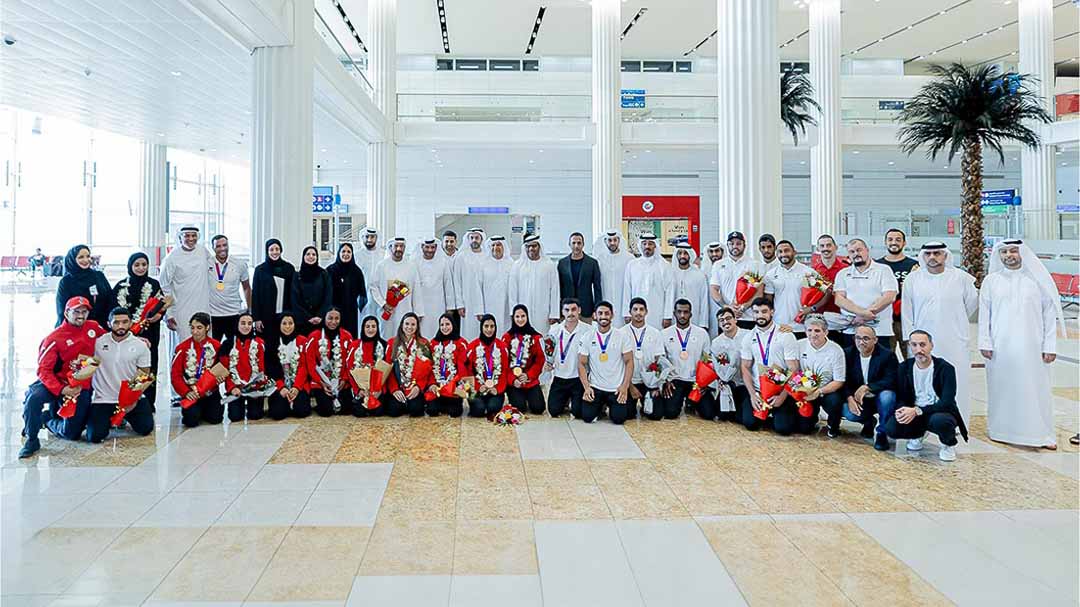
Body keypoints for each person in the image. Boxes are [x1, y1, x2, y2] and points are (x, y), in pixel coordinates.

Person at [979, 239, 1062, 449]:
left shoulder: (1037, 281)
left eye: (1013, 251)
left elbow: (1048, 314)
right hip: (1000, 347)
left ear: (1022, 253)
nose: (1009, 255)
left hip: (1033, 346)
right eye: (1004, 252)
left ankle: (1040, 434)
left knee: (1035, 389)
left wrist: (1050, 346)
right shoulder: (991, 281)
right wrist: (985, 342)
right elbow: (984, 315)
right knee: (1002, 388)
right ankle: (1001, 430)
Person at [901, 242, 977, 423]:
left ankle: (957, 422)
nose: (932, 257)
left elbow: (971, 305)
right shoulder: (913, 279)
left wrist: (954, 322)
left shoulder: (961, 278)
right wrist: (910, 340)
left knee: (957, 380)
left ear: (945, 255)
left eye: (937, 253)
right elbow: (907, 311)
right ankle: (923, 423)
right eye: (928, 254)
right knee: (923, 382)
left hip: (954, 340)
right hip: (922, 343)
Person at [19, 296, 104, 458]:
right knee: (33, 398)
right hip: (56, 383)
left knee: (71, 434)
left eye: (84, 312)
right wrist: (62, 389)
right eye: (76, 311)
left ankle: (47, 419)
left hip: (81, 386)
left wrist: (135, 340)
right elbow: (44, 370)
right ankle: (32, 438)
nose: (81, 315)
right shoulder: (54, 338)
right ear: (66, 313)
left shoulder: (93, 327)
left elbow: (111, 340)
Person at [885, 330, 968, 462]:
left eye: (923, 345)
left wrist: (918, 411)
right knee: (891, 428)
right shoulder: (904, 368)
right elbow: (902, 396)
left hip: (938, 411)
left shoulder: (945, 368)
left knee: (942, 422)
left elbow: (947, 402)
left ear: (931, 345)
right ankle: (917, 434)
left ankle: (948, 444)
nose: (919, 350)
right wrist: (902, 410)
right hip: (914, 410)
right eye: (914, 345)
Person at [85, 307, 155, 442]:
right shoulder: (98, 343)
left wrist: (132, 398)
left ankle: (122, 417)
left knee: (145, 428)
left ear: (130, 323)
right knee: (94, 436)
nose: (121, 326)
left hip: (131, 400)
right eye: (116, 322)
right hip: (104, 398)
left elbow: (144, 373)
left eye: (124, 322)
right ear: (108, 323)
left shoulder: (141, 345)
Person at [739, 298, 801, 434]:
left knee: (783, 429)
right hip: (758, 391)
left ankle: (778, 413)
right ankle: (766, 412)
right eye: (756, 312)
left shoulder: (786, 335)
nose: (760, 315)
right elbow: (745, 367)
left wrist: (782, 396)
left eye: (764, 311)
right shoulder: (748, 337)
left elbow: (794, 369)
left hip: (781, 391)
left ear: (772, 312)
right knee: (750, 424)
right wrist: (752, 395)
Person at [111, 252, 164, 410]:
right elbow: (113, 311)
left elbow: (161, 306)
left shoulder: (154, 285)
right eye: (137, 265)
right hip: (125, 334)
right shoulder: (121, 286)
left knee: (148, 366)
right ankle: (124, 400)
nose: (141, 268)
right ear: (130, 266)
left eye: (144, 265)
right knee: (126, 366)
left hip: (149, 333)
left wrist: (159, 315)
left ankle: (147, 403)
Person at [842, 325, 899, 450]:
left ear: (875, 340)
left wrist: (868, 387)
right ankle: (868, 422)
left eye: (866, 338)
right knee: (848, 412)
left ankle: (881, 433)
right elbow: (843, 380)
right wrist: (849, 398)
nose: (861, 342)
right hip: (860, 399)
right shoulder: (847, 354)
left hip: (879, 395)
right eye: (858, 338)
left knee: (887, 396)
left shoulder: (887, 355)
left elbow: (892, 380)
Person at [833, 238, 897, 349]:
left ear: (867, 250)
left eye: (859, 250)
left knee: (882, 365)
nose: (856, 254)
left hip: (880, 331)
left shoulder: (884, 270)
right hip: (852, 330)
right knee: (853, 365)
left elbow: (889, 296)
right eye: (852, 252)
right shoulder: (842, 274)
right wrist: (862, 314)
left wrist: (865, 316)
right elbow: (839, 299)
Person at [578, 301, 634, 424]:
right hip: (596, 387)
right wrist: (587, 388)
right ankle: (600, 407)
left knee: (619, 419)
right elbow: (581, 363)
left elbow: (629, 361)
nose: (603, 316)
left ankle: (607, 406)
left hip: (616, 388)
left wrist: (624, 387)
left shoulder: (622, 336)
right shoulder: (587, 336)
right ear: (594, 315)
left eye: (607, 313)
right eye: (600, 313)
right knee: (587, 417)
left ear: (612, 315)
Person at [655, 299, 711, 420]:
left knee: (709, 413)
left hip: (696, 381)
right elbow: (660, 361)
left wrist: (705, 383)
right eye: (679, 312)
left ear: (691, 314)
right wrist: (665, 381)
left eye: (686, 312)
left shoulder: (702, 334)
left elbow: (707, 360)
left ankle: (692, 403)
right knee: (670, 413)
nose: (682, 315)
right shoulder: (664, 334)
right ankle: (684, 401)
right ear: (674, 313)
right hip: (675, 380)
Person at [795, 314, 847, 437]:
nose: (813, 334)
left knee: (835, 401)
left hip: (827, 390)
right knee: (804, 429)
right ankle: (812, 419)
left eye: (817, 331)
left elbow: (839, 381)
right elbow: (794, 371)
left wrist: (818, 392)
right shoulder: (799, 345)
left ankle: (833, 426)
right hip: (805, 390)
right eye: (809, 330)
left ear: (826, 332)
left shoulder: (836, 350)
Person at [159, 226, 213, 343]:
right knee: (184, 344)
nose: (191, 239)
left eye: (193, 236)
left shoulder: (203, 251)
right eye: (187, 236)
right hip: (181, 310)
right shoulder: (171, 258)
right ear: (180, 237)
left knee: (205, 344)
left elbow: (213, 269)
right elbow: (164, 286)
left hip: (202, 306)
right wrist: (168, 314)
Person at [170, 312, 223, 428]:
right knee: (191, 421)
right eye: (192, 328)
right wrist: (186, 392)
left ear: (207, 328)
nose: (195, 332)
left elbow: (222, 369)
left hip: (210, 392)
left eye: (199, 328)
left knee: (216, 419)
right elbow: (175, 375)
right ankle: (195, 410)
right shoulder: (182, 348)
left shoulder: (217, 346)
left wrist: (220, 378)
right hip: (191, 392)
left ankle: (203, 410)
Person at [621, 297, 665, 420]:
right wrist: (629, 386)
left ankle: (646, 403)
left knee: (656, 415)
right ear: (630, 312)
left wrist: (656, 386)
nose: (638, 313)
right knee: (627, 415)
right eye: (635, 309)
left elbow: (659, 360)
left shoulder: (655, 333)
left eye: (641, 309)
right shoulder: (621, 333)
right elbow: (619, 363)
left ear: (646, 312)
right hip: (629, 381)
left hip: (649, 383)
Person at [877, 229, 919, 358]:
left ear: (904, 243)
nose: (894, 242)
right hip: (884, 320)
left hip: (906, 319)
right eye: (890, 239)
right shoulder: (878, 265)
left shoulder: (914, 265)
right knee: (886, 358)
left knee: (911, 356)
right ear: (885, 242)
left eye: (898, 239)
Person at [370, 237, 423, 339]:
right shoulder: (382, 265)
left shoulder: (411, 266)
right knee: (386, 336)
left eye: (401, 246)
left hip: (405, 310)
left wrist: (418, 312)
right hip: (387, 311)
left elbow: (416, 289)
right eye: (396, 246)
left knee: (405, 337)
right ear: (390, 248)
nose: (399, 249)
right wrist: (383, 304)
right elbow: (373, 287)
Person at [251, 239, 296, 358]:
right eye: (271, 249)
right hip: (266, 317)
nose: (274, 252)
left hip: (284, 317)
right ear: (267, 251)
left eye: (277, 249)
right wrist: (257, 318)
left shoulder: (289, 268)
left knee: (285, 346)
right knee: (269, 347)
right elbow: (255, 295)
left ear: (281, 250)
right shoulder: (260, 270)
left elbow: (293, 293)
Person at [220, 312, 268, 422]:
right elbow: (224, 369)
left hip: (254, 387)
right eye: (243, 323)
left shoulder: (259, 343)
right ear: (237, 324)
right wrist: (232, 388)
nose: (246, 326)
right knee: (235, 417)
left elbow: (262, 368)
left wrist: (258, 385)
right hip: (236, 388)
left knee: (255, 415)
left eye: (249, 323)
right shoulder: (227, 344)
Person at [305, 308, 353, 416]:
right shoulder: (314, 336)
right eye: (330, 318)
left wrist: (344, 379)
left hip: (341, 382)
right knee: (326, 412)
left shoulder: (347, 336)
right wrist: (321, 383)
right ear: (324, 318)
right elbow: (310, 363)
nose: (333, 322)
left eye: (337, 318)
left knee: (347, 410)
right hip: (321, 381)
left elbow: (349, 362)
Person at [545, 299, 589, 418]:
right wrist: (548, 364)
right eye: (567, 310)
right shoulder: (554, 331)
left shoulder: (588, 330)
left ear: (579, 310)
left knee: (578, 412)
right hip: (560, 377)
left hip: (578, 378)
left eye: (573, 309)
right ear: (562, 312)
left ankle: (573, 401)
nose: (570, 313)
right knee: (553, 411)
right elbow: (549, 353)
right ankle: (565, 399)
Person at [703, 307, 748, 422]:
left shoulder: (748, 336)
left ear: (735, 319)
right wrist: (720, 380)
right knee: (721, 415)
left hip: (746, 384)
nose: (725, 322)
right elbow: (716, 366)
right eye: (721, 320)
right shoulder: (716, 342)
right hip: (728, 384)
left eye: (728, 318)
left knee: (740, 419)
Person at [710, 231, 763, 329]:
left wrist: (743, 307)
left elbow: (759, 293)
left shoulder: (755, 264)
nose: (735, 246)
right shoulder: (718, 265)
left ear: (744, 245)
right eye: (731, 244)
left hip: (748, 318)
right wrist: (726, 306)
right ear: (727, 245)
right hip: (726, 318)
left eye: (738, 243)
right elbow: (713, 289)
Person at [383, 312, 432, 418]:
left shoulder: (424, 344)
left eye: (413, 324)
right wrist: (394, 389)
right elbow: (388, 370)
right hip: (398, 386)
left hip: (414, 386)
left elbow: (427, 370)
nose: (409, 327)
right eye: (407, 324)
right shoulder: (392, 343)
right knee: (393, 411)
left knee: (416, 411)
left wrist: (418, 387)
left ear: (417, 327)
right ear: (402, 325)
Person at [621, 233, 673, 329]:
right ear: (640, 246)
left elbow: (670, 292)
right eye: (644, 243)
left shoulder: (664, 266)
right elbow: (627, 289)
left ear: (655, 246)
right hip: (636, 312)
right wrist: (626, 313)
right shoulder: (632, 265)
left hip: (658, 312)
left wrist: (668, 316)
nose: (647, 246)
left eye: (650, 244)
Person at [763, 240, 814, 338]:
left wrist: (812, 308)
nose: (783, 254)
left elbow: (826, 291)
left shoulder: (808, 272)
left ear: (794, 252)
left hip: (801, 327)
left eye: (786, 251)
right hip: (779, 326)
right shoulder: (770, 274)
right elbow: (768, 301)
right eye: (780, 252)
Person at [502, 304, 547, 415]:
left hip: (529, 380)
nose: (520, 319)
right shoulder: (507, 337)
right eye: (517, 317)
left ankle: (529, 395)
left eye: (523, 316)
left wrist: (528, 375)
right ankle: (519, 396)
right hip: (514, 381)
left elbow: (539, 361)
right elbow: (503, 363)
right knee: (519, 408)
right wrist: (513, 379)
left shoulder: (536, 337)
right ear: (513, 318)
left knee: (538, 408)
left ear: (527, 317)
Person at [265, 313, 311, 420]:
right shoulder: (272, 342)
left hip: (299, 384)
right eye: (284, 323)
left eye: (290, 323)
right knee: (278, 414)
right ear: (279, 325)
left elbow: (304, 367)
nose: (287, 326)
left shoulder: (303, 341)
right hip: (278, 385)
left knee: (302, 411)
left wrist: (296, 387)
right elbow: (271, 368)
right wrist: (281, 387)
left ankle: (293, 401)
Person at [509, 234, 560, 329]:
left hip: (543, 312)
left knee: (542, 336)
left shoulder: (549, 265)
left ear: (539, 247)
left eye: (534, 246)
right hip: (522, 312)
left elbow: (555, 291)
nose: (531, 249)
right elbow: (512, 291)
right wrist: (513, 311)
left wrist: (554, 313)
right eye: (528, 246)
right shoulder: (517, 266)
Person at [207, 235, 252, 343]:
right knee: (212, 349)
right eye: (218, 246)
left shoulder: (239, 264)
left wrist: (249, 309)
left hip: (233, 313)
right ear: (213, 248)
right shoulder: (206, 263)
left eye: (224, 245)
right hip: (213, 314)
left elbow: (246, 287)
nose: (222, 248)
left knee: (234, 349)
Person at [55, 244, 112, 327]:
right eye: (81, 257)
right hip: (77, 327)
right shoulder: (66, 281)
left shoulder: (99, 276)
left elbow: (110, 298)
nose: (86, 260)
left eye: (88, 256)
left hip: (100, 326)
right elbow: (62, 310)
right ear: (73, 260)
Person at [344, 315, 388, 417]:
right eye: (367, 326)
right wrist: (358, 390)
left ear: (377, 328)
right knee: (360, 412)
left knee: (378, 412)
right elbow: (349, 369)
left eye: (373, 326)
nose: (370, 329)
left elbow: (387, 371)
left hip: (377, 390)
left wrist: (380, 390)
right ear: (363, 328)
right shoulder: (355, 345)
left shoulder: (384, 345)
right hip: (361, 390)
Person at [466, 314, 510, 417]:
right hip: (477, 389)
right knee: (478, 410)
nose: (489, 330)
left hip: (495, 389)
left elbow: (504, 371)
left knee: (493, 409)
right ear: (481, 327)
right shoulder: (472, 346)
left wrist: (497, 388)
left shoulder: (502, 347)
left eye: (492, 326)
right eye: (486, 326)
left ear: (495, 328)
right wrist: (477, 387)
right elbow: (468, 371)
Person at [557, 232, 603, 322]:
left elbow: (597, 288)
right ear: (569, 244)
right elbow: (559, 288)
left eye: (579, 243)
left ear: (583, 244)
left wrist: (597, 309)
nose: (576, 246)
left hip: (586, 310)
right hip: (567, 310)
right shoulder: (562, 263)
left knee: (587, 335)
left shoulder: (592, 263)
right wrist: (558, 310)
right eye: (573, 243)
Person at [428, 313, 468, 417]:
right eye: (442, 325)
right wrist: (432, 384)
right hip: (437, 387)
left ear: (453, 325)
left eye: (447, 324)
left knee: (455, 412)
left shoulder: (461, 343)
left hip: (453, 387)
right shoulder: (433, 343)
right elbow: (429, 367)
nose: (444, 327)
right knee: (432, 411)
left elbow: (462, 368)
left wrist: (455, 385)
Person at [593, 230, 634, 328]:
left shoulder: (629, 259)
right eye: (609, 240)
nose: (612, 243)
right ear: (605, 241)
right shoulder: (599, 259)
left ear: (619, 241)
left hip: (623, 302)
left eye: (615, 240)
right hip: (605, 299)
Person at [414, 238, 453, 338]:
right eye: (427, 247)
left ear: (436, 247)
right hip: (421, 306)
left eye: (433, 247)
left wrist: (450, 307)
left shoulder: (443, 262)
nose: (430, 250)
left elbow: (448, 285)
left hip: (438, 305)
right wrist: (416, 309)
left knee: (438, 331)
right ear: (422, 247)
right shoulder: (414, 263)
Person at [326, 242, 368, 337]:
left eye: (349, 252)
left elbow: (362, 294)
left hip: (350, 311)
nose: (346, 254)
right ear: (338, 253)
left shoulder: (356, 271)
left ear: (352, 254)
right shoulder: (330, 270)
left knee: (349, 336)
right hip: (333, 311)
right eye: (343, 251)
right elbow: (324, 292)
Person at [455, 227, 488, 340]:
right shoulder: (461, 257)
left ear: (481, 239)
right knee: (468, 331)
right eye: (472, 238)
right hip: (467, 301)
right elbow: (457, 281)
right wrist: (460, 304)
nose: (474, 240)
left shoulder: (487, 256)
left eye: (477, 238)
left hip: (485, 301)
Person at [292, 246, 332, 337]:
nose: (311, 256)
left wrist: (320, 315)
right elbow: (295, 299)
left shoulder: (324, 274)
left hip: (320, 321)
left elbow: (328, 296)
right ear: (303, 257)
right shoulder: (297, 275)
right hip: (302, 321)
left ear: (317, 257)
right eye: (308, 254)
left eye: (314, 254)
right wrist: (308, 317)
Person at [669, 243, 710, 331]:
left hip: (694, 318)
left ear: (690, 255)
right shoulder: (670, 274)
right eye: (680, 253)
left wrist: (704, 323)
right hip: (673, 318)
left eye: (685, 253)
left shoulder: (699, 275)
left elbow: (704, 301)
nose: (682, 256)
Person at [480, 235, 516, 335]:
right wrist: (479, 309)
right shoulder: (483, 265)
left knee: (506, 330)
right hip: (488, 305)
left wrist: (514, 310)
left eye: (499, 245)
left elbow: (514, 288)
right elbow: (477, 289)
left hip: (506, 307)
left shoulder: (511, 264)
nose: (496, 248)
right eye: (493, 245)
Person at [809, 234, 849, 315]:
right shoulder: (812, 271)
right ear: (818, 249)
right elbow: (808, 295)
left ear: (836, 247)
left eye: (829, 245)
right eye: (822, 246)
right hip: (819, 317)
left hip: (842, 316)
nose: (825, 248)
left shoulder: (847, 270)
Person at [355, 227, 384, 320]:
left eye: (372, 237)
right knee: (362, 319)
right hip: (362, 294)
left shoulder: (383, 254)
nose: (369, 240)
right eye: (367, 237)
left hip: (380, 294)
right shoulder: (357, 255)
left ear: (377, 238)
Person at [700, 242, 725, 337]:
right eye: (711, 251)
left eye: (717, 251)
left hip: (725, 306)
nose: (714, 254)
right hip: (708, 310)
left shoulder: (727, 268)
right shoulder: (703, 272)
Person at [441, 231, 461, 329]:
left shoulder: (461, 256)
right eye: (446, 241)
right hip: (444, 300)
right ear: (442, 242)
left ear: (456, 242)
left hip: (459, 300)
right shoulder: (439, 258)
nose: (449, 244)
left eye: (451, 241)